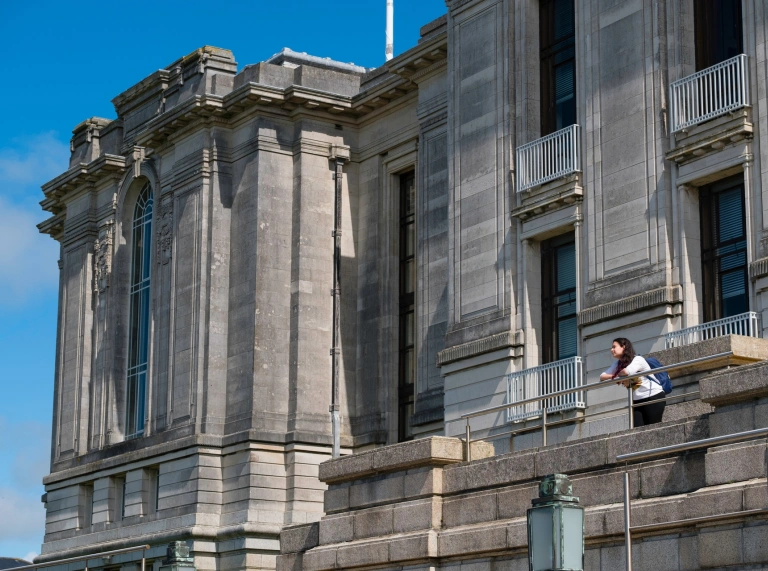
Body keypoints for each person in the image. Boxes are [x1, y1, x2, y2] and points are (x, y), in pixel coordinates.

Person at [599, 337, 665, 427]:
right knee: (637, 429)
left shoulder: (637, 359)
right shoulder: (618, 364)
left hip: (653, 396)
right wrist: (617, 376)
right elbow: (602, 376)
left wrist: (617, 376)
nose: (611, 350)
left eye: (614, 347)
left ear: (623, 347)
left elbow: (626, 372)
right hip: (637, 400)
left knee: (653, 428)